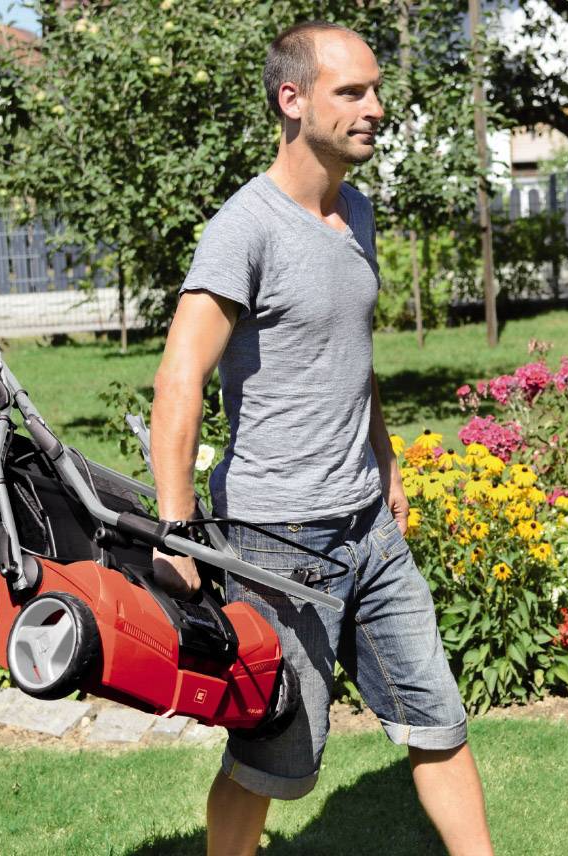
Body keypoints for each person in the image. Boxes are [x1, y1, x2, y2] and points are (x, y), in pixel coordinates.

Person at [149, 20, 495, 856]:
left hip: (366, 524)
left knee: (437, 717)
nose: (375, 107)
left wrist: (385, 461)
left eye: (376, 90)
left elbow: (350, 356)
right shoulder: (246, 226)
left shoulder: (356, 214)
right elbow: (179, 378)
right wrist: (174, 527)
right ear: (292, 99)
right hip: (279, 539)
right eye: (352, 92)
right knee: (272, 758)